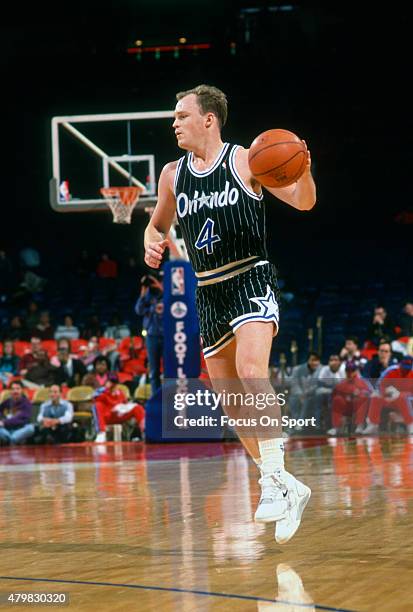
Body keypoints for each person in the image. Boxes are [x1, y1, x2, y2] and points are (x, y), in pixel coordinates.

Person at [143, 84, 316, 543]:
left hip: (250, 276)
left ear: (209, 119)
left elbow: (304, 201)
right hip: (210, 291)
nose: (174, 123)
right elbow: (157, 222)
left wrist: (306, 171)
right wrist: (150, 239)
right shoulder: (171, 175)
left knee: (251, 369)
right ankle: (284, 484)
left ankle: (270, 480)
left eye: (181, 115)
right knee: (231, 401)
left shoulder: (249, 161)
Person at [363, 356, 413, 435]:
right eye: (404, 367)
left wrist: (402, 394)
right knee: (376, 396)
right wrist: (387, 391)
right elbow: (379, 386)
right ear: (400, 364)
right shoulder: (392, 370)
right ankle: (373, 424)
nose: (405, 370)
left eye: (408, 368)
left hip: (408, 403)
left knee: (403, 397)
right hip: (391, 399)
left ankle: (410, 424)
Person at [93, 374, 145, 443]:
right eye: (110, 382)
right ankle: (101, 433)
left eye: (114, 382)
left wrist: (123, 407)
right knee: (97, 405)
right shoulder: (100, 391)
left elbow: (125, 404)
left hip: (118, 415)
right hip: (107, 416)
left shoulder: (120, 392)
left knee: (138, 407)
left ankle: (145, 431)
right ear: (106, 382)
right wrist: (107, 391)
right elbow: (95, 398)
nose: (112, 384)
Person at [135, 273, 164, 395]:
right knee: (154, 371)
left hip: (167, 335)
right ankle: (156, 397)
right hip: (152, 335)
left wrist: (160, 288)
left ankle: (170, 397)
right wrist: (143, 291)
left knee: (170, 369)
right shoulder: (147, 295)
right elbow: (138, 310)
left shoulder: (167, 293)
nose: (152, 285)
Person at [327, 362, 372, 436]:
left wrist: (359, 393)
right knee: (337, 399)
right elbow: (331, 398)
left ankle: (360, 425)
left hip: (360, 408)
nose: (350, 373)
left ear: (356, 371)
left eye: (352, 370)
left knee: (362, 397)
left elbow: (370, 395)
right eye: (348, 370)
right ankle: (336, 427)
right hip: (346, 408)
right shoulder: (341, 384)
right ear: (345, 371)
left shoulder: (364, 382)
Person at [0, 381, 35, 445]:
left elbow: (20, 420)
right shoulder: (7, 402)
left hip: (20, 429)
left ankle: (10, 440)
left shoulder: (26, 403)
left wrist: (4, 422)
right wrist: (2, 418)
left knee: (30, 428)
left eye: (18, 389)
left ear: (22, 390)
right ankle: (11, 440)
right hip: (7, 430)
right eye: (13, 389)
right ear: (10, 391)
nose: (15, 391)